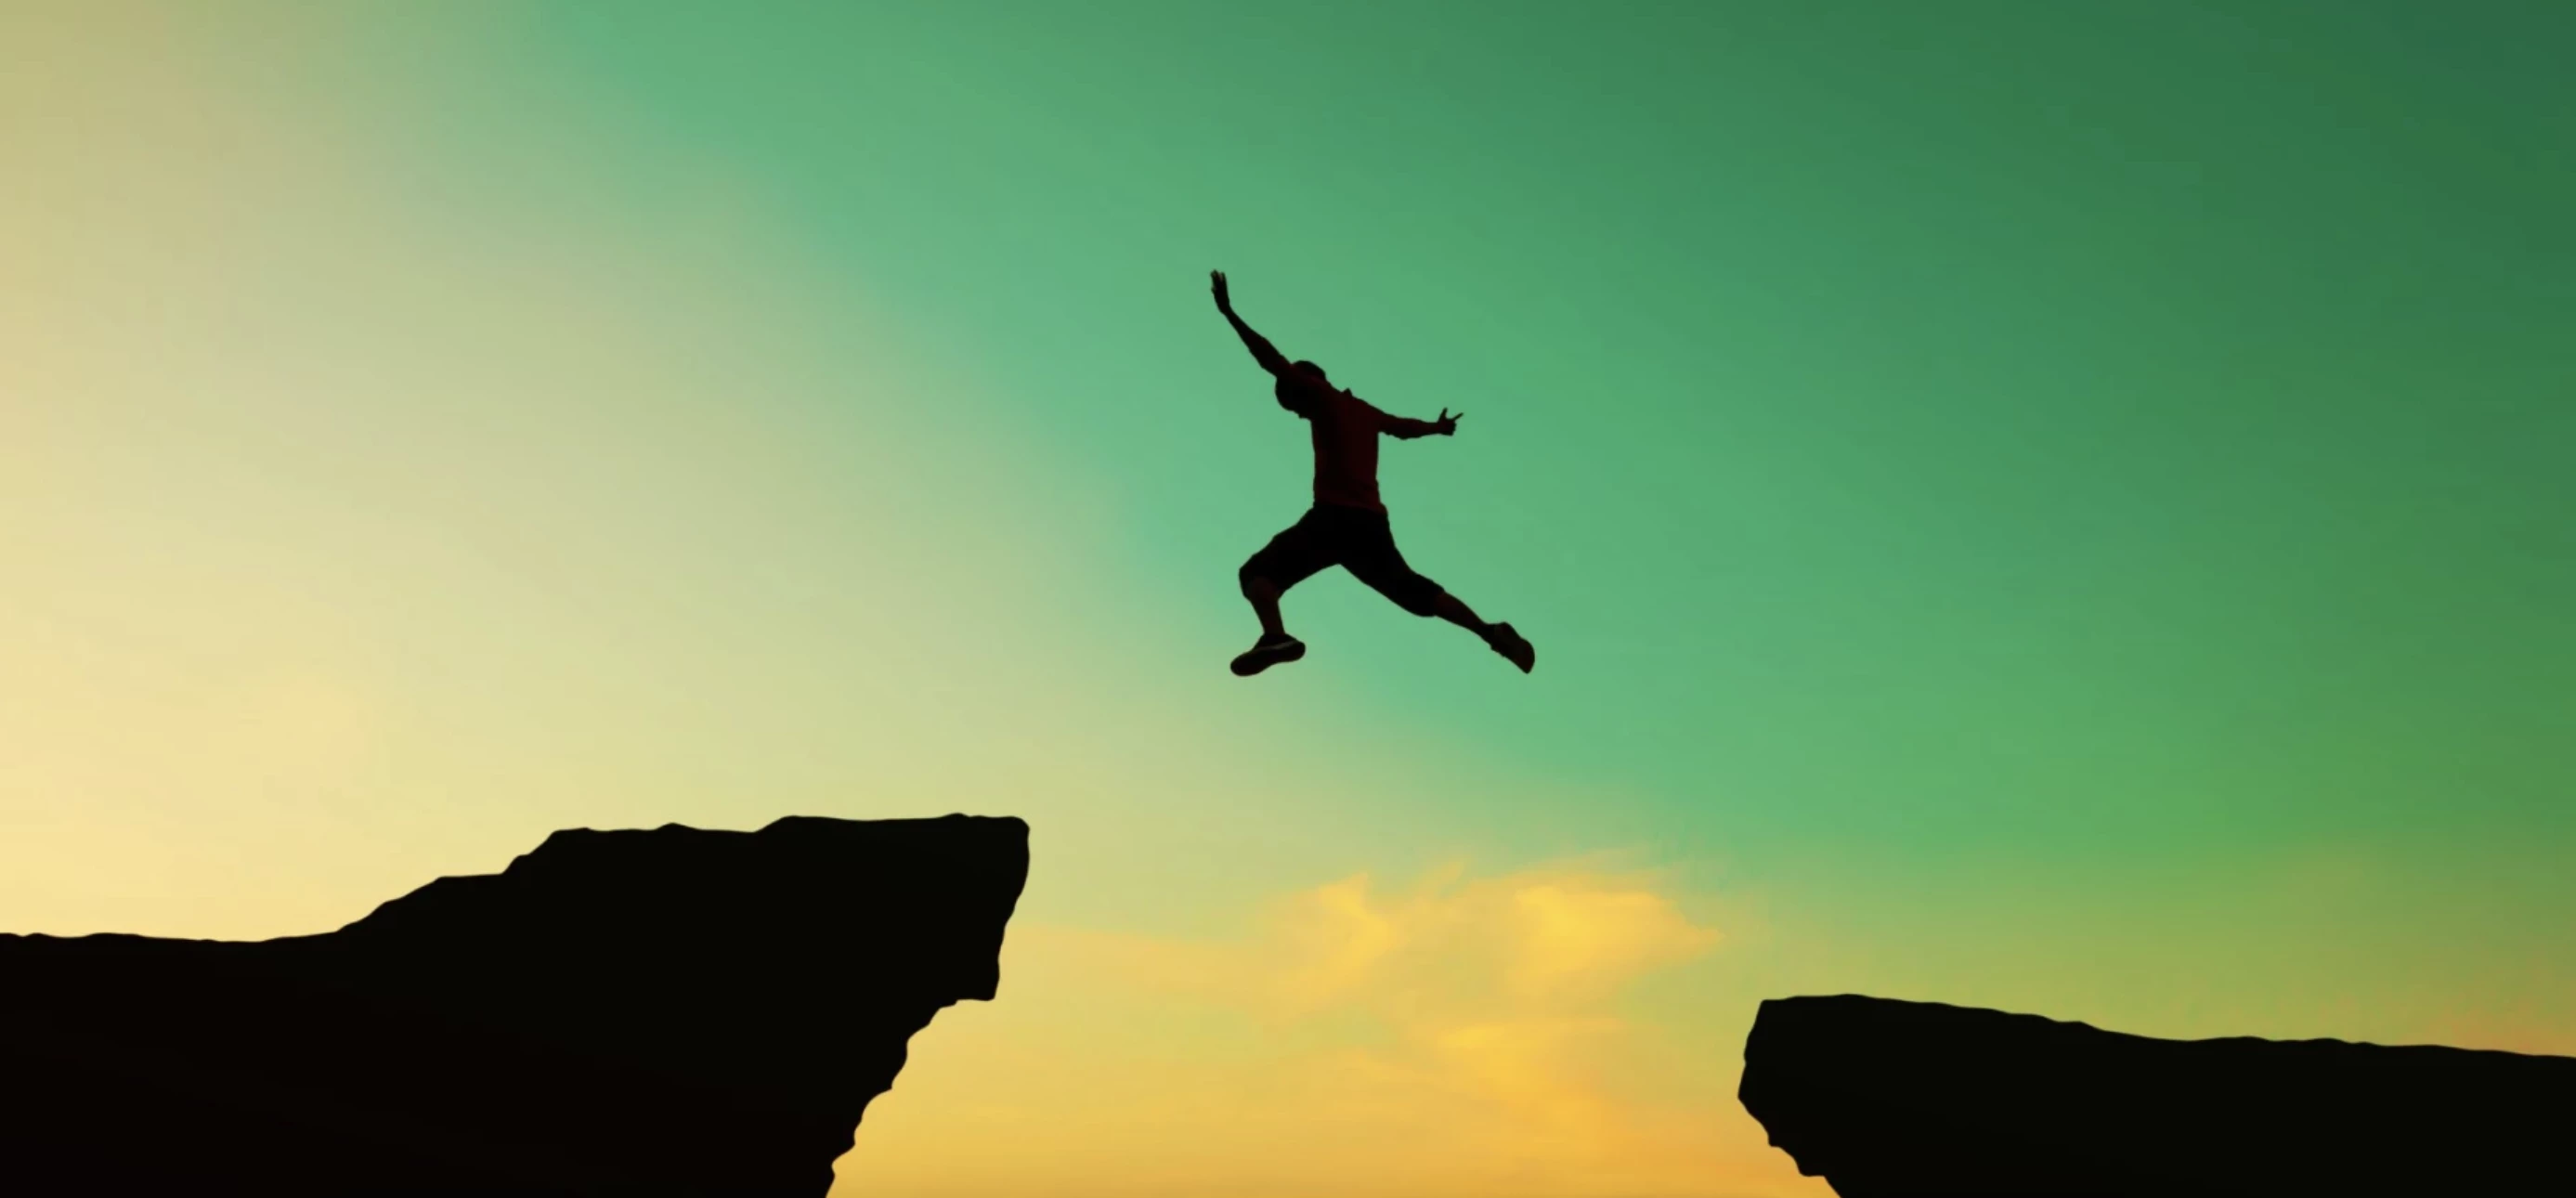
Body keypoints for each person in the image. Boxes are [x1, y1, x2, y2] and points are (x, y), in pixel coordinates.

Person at [1211, 269, 1536, 677]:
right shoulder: (1364, 411)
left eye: (1295, 402)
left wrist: (1229, 313)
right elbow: (1402, 427)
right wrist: (1437, 428)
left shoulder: (1321, 395)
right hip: (1370, 526)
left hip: (1333, 520)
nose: (1298, 412)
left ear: (1307, 383)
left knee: (1255, 573)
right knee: (1414, 592)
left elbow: (1270, 359)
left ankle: (1275, 635)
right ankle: (1490, 632)